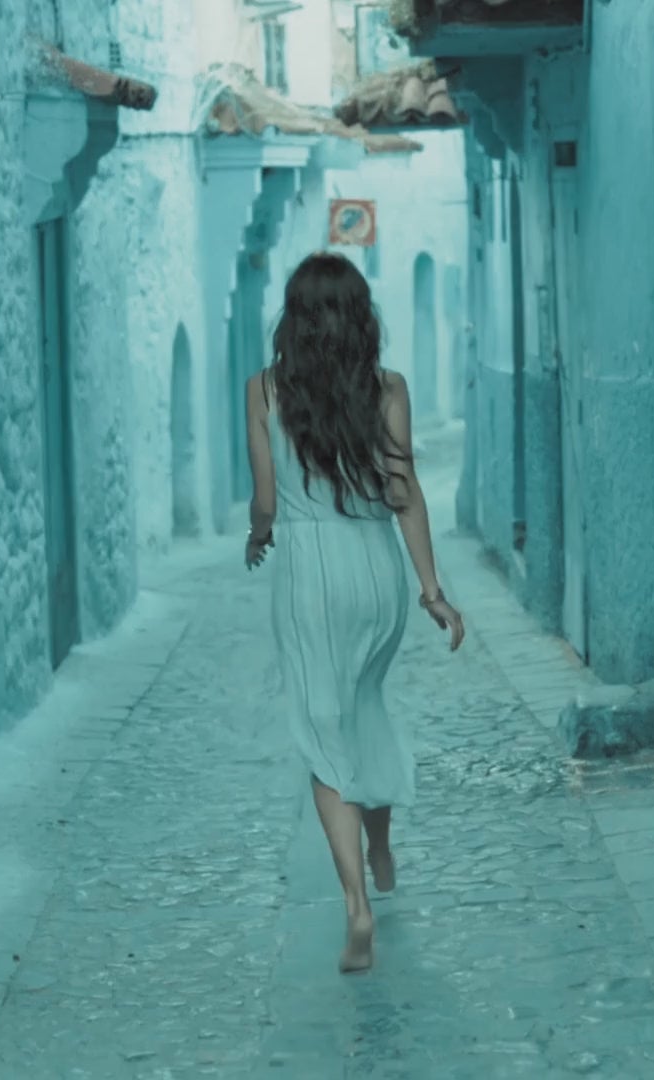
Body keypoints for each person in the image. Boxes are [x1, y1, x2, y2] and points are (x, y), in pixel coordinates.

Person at [243, 252, 465, 974]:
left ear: (295, 319)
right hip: (375, 571)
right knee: (364, 708)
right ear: (360, 315)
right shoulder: (388, 388)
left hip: (308, 573)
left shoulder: (264, 392)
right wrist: (431, 590)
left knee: (322, 731)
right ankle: (379, 844)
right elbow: (404, 492)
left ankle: (355, 905)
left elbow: (268, 500)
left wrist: (259, 532)